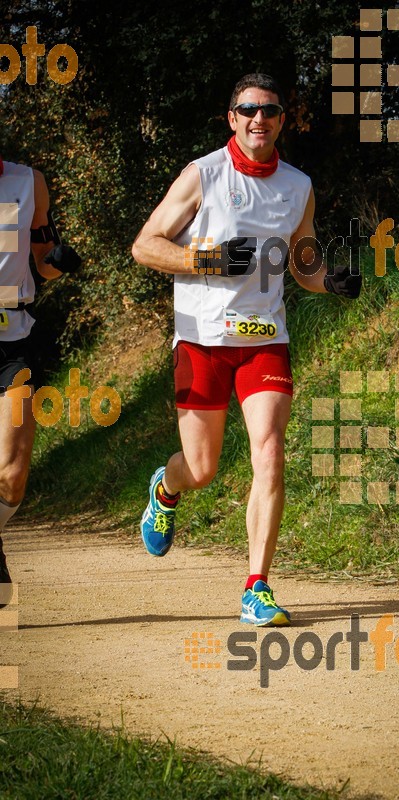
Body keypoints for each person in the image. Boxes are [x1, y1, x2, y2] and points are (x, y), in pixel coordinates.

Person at [132, 73, 360, 626]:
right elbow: (145, 246)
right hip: (203, 338)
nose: (260, 119)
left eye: (271, 110)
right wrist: (207, 262)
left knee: (270, 451)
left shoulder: (297, 186)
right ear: (232, 118)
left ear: (282, 120)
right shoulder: (203, 175)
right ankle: (166, 489)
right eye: (249, 110)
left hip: (264, 339)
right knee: (203, 468)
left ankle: (256, 586)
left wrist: (328, 280)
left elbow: (302, 262)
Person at [0, 156, 81, 608]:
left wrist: (57, 261)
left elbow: (42, 262)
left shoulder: (28, 182)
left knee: (12, 473)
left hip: (11, 341)